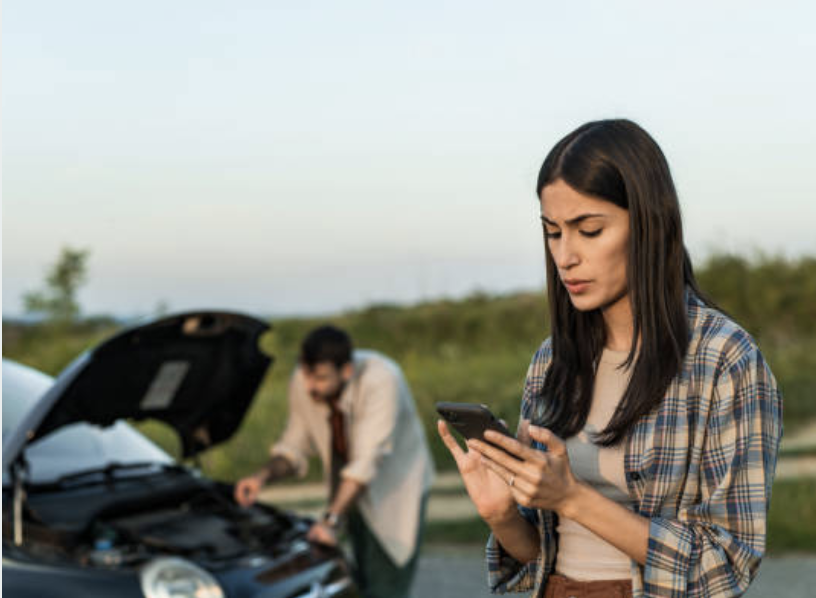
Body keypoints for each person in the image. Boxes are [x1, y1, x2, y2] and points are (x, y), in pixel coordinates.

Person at [438, 119, 783, 598]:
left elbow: (725, 566)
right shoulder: (552, 360)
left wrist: (573, 499)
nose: (565, 256)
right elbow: (541, 558)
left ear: (649, 223)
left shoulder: (724, 359)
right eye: (553, 232)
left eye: (589, 230)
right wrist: (502, 515)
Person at [236, 325, 434, 598]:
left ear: (346, 371)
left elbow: (366, 462)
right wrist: (262, 477)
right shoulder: (304, 380)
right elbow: (294, 444)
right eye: (306, 375)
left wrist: (330, 521)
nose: (309, 387)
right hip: (346, 489)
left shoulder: (382, 379)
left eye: (319, 378)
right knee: (351, 580)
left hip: (395, 491)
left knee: (386, 583)